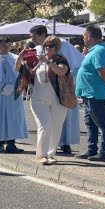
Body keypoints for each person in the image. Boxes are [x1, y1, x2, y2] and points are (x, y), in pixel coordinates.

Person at [31, 24, 83, 154]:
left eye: (34, 36)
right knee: (46, 122)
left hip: (61, 88)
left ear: (42, 34)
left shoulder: (63, 44)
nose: (32, 39)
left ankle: (65, 143)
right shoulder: (37, 49)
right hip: (43, 91)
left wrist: (72, 82)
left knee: (62, 119)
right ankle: (46, 149)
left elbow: (77, 63)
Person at [75, 24, 105, 162]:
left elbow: (103, 71)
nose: (83, 39)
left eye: (84, 36)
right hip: (91, 93)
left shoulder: (98, 51)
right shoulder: (102, 49)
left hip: (95, 93)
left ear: (89, 37)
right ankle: (91, 149)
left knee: (102, 123)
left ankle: (104, 152)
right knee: (91, 122)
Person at [30, 36, 72, 165]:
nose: (47, 48)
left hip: (58, 98)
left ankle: (51, 154)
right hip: (38, 98)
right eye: (45, 46)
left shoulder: (60, 59)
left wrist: (48, 62)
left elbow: (61, 71)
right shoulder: (37, 60)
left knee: (56, 126)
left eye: (51, 46)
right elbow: (26, 73)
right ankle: (42, 155)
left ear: (56, 48)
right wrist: (21, 59)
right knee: (45, 124)